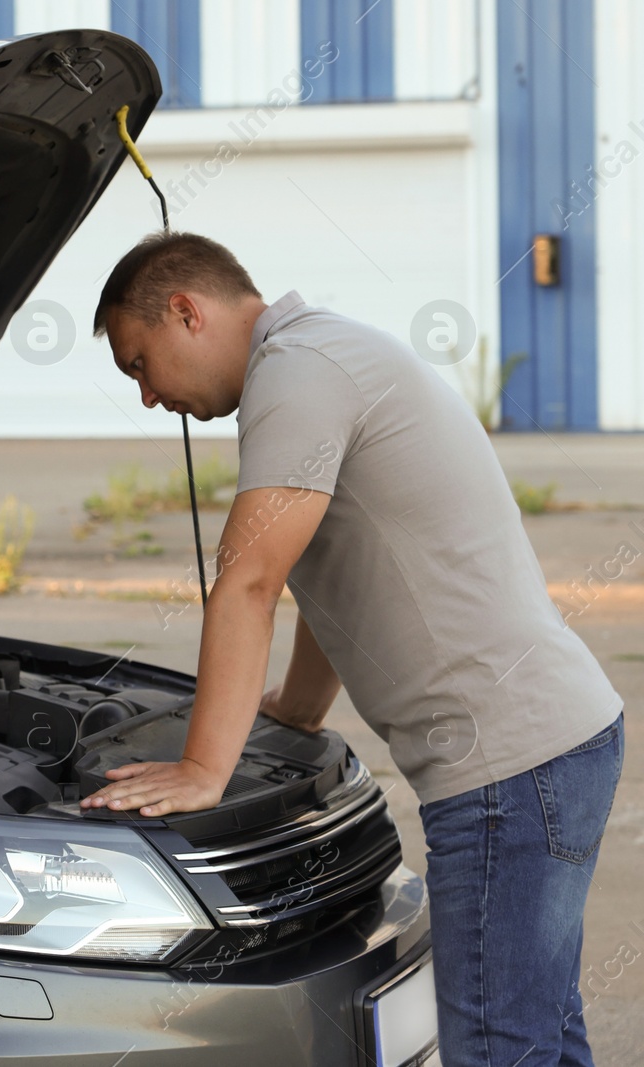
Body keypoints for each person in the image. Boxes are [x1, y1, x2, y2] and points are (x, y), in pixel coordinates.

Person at [81, 230, 624, 1067]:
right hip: (555, 745)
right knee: (542, 1041)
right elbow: (336, 570)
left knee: (497, 1049)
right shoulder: (325, 354)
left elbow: (251, 578)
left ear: (186, 312)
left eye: (139, 363)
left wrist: (203, 768)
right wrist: (298, 709)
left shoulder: (297, 374)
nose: (148, 396)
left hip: (510, 775)